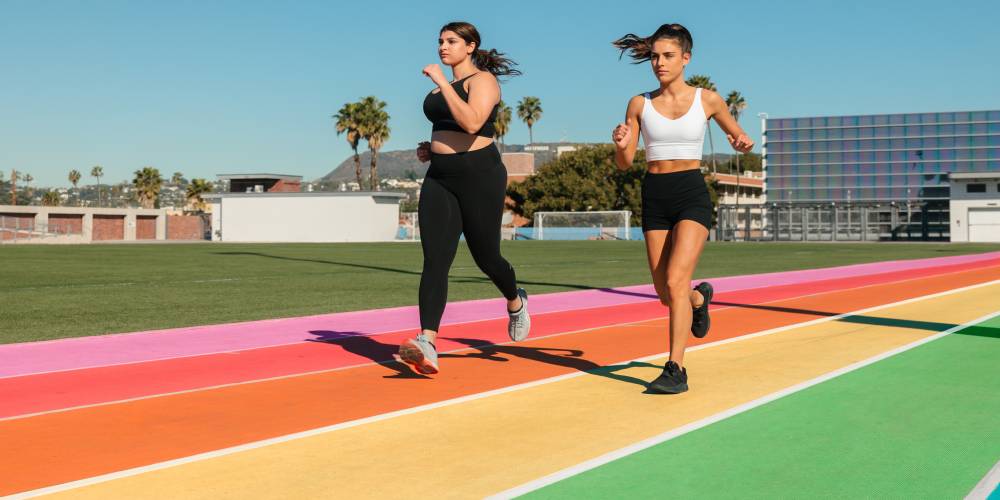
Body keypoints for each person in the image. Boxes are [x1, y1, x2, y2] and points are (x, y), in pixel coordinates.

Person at [610, 23, 753, 393]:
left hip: (691, 192)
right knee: (665, 291)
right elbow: (625, 163)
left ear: (686, 58)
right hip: (654, 193)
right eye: (655, 56)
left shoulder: (707, 100)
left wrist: (740, 142)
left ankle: (676, 369)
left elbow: (736, 134)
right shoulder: (639, 103)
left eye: (668, 56)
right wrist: (622, 143)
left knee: (675, 279)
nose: (659, 63)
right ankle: (699, 298)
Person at [398, 21, 530, 375]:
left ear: (470, 46)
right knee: (435, 260)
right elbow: (450, 125)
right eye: (440, 41)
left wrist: (442, 81)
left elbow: (472, 122)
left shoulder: (482, 81)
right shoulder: (450, 85)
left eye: (451, 41)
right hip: (440, 177)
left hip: (480, 176)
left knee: (487, 257)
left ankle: (516, 301)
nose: (443, 46)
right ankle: (427, 341)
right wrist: (433, 147)